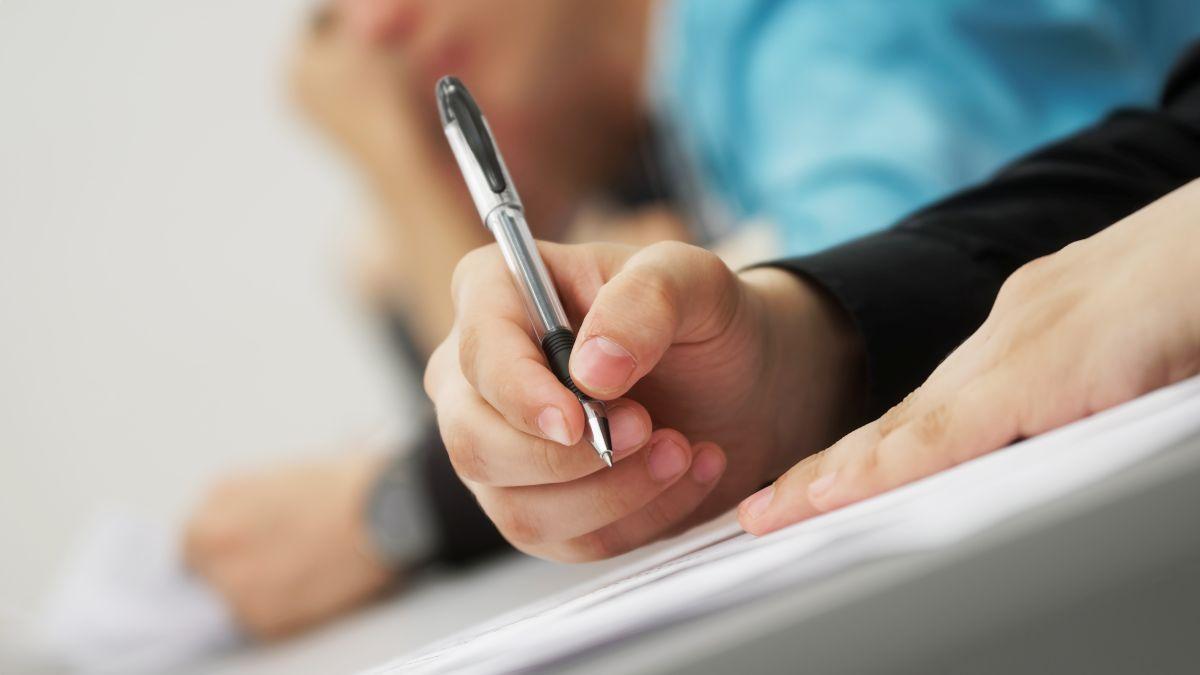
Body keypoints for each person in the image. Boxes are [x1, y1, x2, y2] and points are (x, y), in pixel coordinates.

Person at [186, 0, 1200, 637]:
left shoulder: (823, 31)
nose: (370, 37)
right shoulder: (688, 111)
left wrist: (406, 173)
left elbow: (973, 301)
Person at [424, 43, 1200, 559]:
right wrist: (807, 347)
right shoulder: (690, 103)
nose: (380, 24)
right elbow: (1170, 159)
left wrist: (401, 510)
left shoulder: (804, 41)